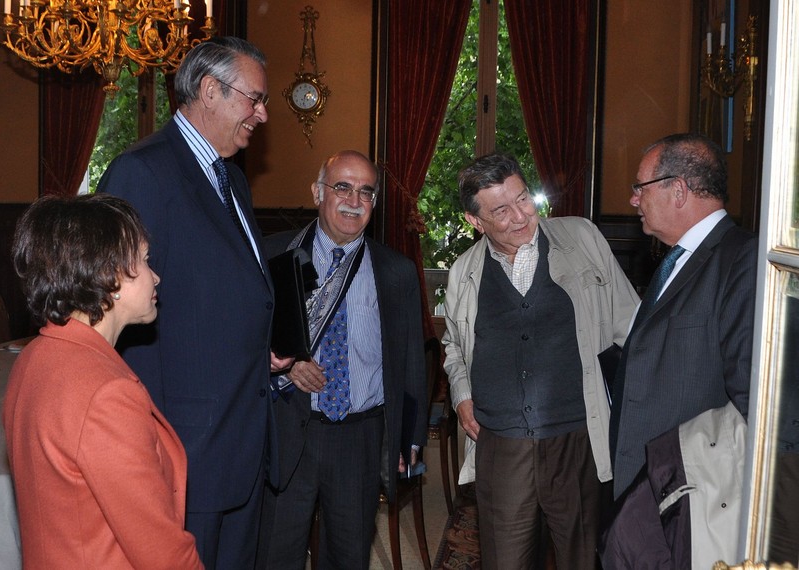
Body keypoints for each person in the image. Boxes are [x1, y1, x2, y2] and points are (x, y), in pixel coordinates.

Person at [97, 37, 291, 569]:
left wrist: (260, 348)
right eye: (254, 99)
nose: (263, 114)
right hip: (187, 448)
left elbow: (214, 295)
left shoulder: (230, 176)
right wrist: (149, 447)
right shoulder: (143, 172)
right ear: (210, 90)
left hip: (241, 438)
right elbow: (115, 319)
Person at [442, 153, 640, 569]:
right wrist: (462, 395)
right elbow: (453, 345)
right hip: (501, 444)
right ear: (475, 222)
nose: (520, 216)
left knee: (583, 558)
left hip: (578, 440)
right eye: (501, 210)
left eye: (523, 199)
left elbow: (634, 326)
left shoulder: (582, 238)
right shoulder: (464, 272)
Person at [4, 194, 203, 569]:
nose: (155, 275)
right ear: (108, 274)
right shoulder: (106, 393)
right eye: (144, 260)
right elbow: (162, 555)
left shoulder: (36, 355)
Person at [257, 150, 427, 569]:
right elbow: (242, 338)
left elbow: (410, 366)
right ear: (318, 192)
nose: (354, 200)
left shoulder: (396, 271)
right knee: (276, 552)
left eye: (366, 192)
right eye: (343, 187)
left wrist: (411, 441)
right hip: (289, 427)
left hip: (359, 438)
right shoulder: (275, 255)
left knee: (349, 556)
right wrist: (286, 362)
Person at [608, 133, 757, 500]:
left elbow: (748, 400)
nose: (633, 199)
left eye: (640, 187)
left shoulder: (742, 260)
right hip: (645, 486)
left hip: (689, 492)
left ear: (678, 190)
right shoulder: (678, 258)